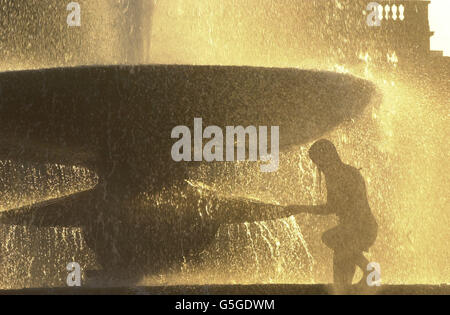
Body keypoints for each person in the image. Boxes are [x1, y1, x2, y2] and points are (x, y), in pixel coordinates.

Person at [286, 139, 378, 288]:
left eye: (319, 162)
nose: (319, 167)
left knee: (329, 237)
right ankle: (352, 282)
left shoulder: (340, 176)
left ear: (328, 157)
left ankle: (368, 268)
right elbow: (336, 207)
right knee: (341, 271)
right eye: (316, 163)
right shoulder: (346, 172)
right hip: (354, 230)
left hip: (360, 229)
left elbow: (332, 208)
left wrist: (301, 208)